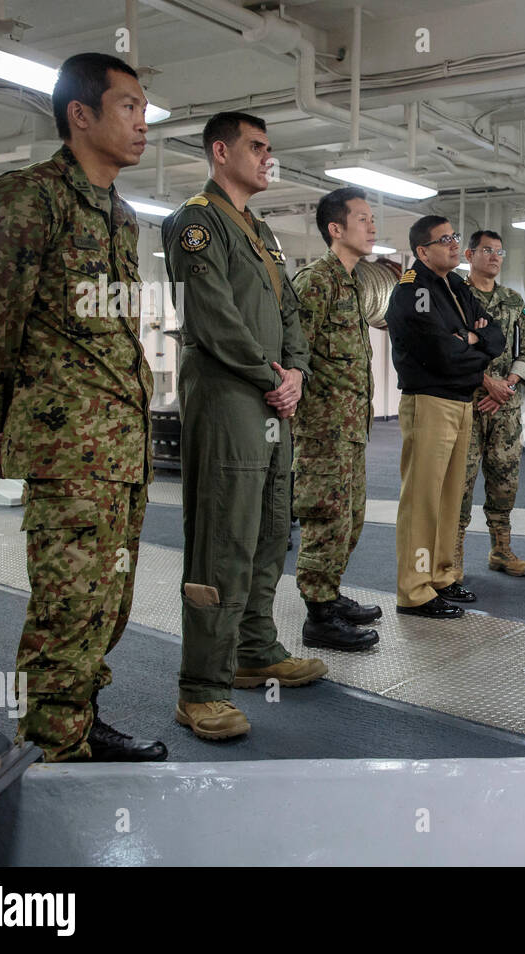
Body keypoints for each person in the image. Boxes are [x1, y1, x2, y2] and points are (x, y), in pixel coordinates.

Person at [0, 53, 166, 762]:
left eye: (143, 107)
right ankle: (51, 749)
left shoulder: (120, 215)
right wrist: (5, 417)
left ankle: (79, 716)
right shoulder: (28, 198)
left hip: (121, 449)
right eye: (128, 106)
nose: (142, 121)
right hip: (69, 448)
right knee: (68, 604)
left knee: (109, 602)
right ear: (81, 115)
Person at [162, 112, 325, 741]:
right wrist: (269, 374)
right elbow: (211, 316)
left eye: (269, 148)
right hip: (229, 395)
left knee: (269, 526)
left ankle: (254, 649)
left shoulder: (261, 232)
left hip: (272, 399)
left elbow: (289, 310)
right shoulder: (196, 223)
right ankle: (200, 686)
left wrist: (298, 373)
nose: (267, 157)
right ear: (220, 150)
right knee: (223, 535)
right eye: (256, 147)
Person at [384, 216, 504, 617]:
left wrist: (470, 339)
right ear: (422, 251)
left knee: (451, 497)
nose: (455, 245)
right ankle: (414, 589)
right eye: (445, 240)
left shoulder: (455, 286)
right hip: (429, 401)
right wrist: (472, 344)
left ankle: (442, 575)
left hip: (461, 400)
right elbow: (439, 353)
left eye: (455, 237)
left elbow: (497, 336)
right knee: (422, 501)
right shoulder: (412, 291)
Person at [290, 186, 389, 651]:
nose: (372, 226)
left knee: (350, 518)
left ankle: (329, 596)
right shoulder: (316, 280)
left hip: (350, 428)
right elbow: (294, 354)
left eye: (372, 219)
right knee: (325, 518)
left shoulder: (352, 281)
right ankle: (318, 616)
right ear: (336, 228)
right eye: (363, 219)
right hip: (323, 428)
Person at [453, 230, 525, 582]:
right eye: (487, 250)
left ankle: (500, 549)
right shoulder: (455, 295)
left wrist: (508, 386)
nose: (494, 257)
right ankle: (451, 556)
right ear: (470, 255)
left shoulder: (514, 301)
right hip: (468, 403)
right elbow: (454, 343)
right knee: (461, 480)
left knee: (504, 480)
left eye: (499, 251)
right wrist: (486, 383)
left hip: (505, 408)